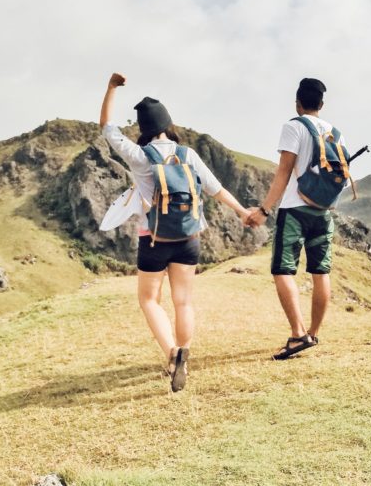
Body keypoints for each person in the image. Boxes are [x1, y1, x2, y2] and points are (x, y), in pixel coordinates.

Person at [99, 72, 251, 392]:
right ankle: (184, 352)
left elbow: (106, 129)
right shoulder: (188, 154)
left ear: (144, 130)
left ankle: (171, 353)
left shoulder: (140, 157)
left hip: (153, 239)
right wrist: (243, 212)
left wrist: (111, 88)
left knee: (149, 300)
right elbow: (216, 190)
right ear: (168, 125)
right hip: (189, 239)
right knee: (183, 302)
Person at [244, 77, 348, 360]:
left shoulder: (294, 126)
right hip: (324, 212)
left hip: (295, 208)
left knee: (282, 270)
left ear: (298, 103)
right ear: (322, 104)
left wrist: (264, 209)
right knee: (320, 273)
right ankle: (312, 333)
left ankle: (297, 334)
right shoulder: (335, 133)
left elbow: (284, 172)